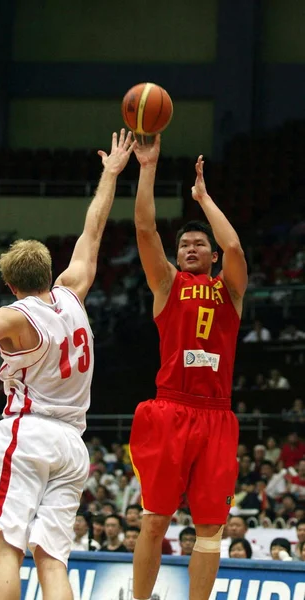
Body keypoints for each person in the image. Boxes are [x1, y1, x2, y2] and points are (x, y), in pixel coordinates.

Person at [0, 129, 136, 600]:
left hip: (27, 432)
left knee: (5, 546)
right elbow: (93, 230)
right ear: (49, 272)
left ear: (11, 285)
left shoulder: (13, 315)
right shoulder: (73, 292)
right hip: (73, 445)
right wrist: (110, 173)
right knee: (52, 558)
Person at [129, 136, 248, 600]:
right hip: (171, 409)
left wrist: (202, 198)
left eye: (201, 244)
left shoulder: (230, 292)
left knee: (211, 527)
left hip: (216, 414)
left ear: (212, 255)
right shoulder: (166, 283)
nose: (191, 248)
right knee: (155, 519)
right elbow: (144, 229)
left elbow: (235, 244)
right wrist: (148, 167)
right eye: (185, 245)